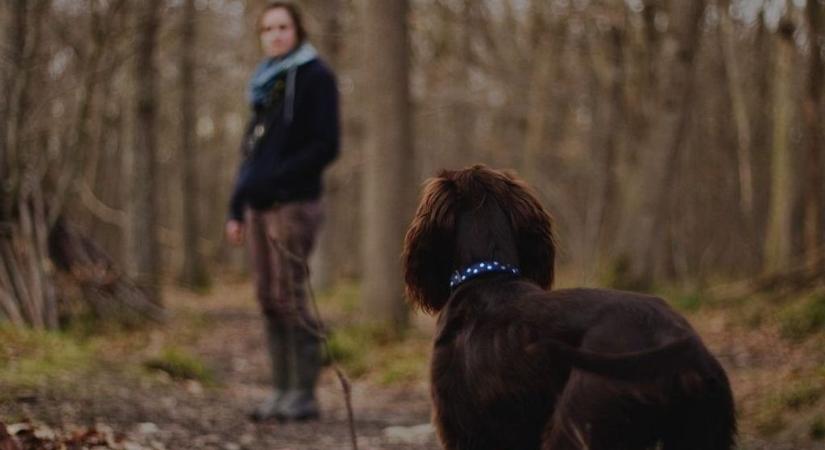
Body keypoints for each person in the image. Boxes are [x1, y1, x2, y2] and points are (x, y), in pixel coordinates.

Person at [226, 0, 339, 422]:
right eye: (268, 28)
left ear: (298, 31)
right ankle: (280, 389)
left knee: (291, 295)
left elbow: (326, 145)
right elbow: (249, 154)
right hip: (257, 208)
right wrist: (236, 207)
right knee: (267, 298)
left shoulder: (315, 77)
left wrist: (277, 179)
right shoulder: (264, 85)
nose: (275, 34)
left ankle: (303, 394)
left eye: (282, 27)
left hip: (294, 204)